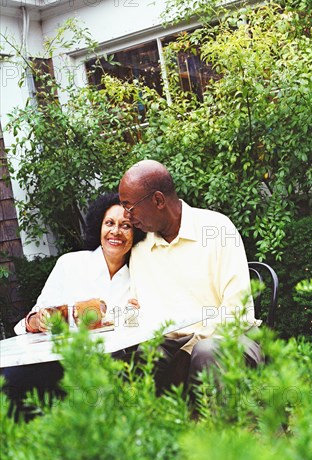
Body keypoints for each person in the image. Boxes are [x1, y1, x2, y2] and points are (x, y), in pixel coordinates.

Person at [118, 160, 263, 394]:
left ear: (158, 200)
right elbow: (139, 313)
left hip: (232, 337)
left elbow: (236, 310)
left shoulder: (216, 229)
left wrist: (188, 351)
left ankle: (229, 429)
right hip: (168, 346)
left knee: (207, 352)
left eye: (129, 207)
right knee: (127, 364)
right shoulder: (140, 248)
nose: (126, 216)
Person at [2, 192, 146, 420]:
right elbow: (34, 319)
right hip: (54, 359)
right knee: (10, 380)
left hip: (104, 366)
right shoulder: (70, 263)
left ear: (136, 233)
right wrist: (37, 321)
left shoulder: (137, 278)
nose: (116, 232)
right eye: (109, 223)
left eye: (126, 225)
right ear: (98, 226)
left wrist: (132, 316)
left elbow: (137, 331)